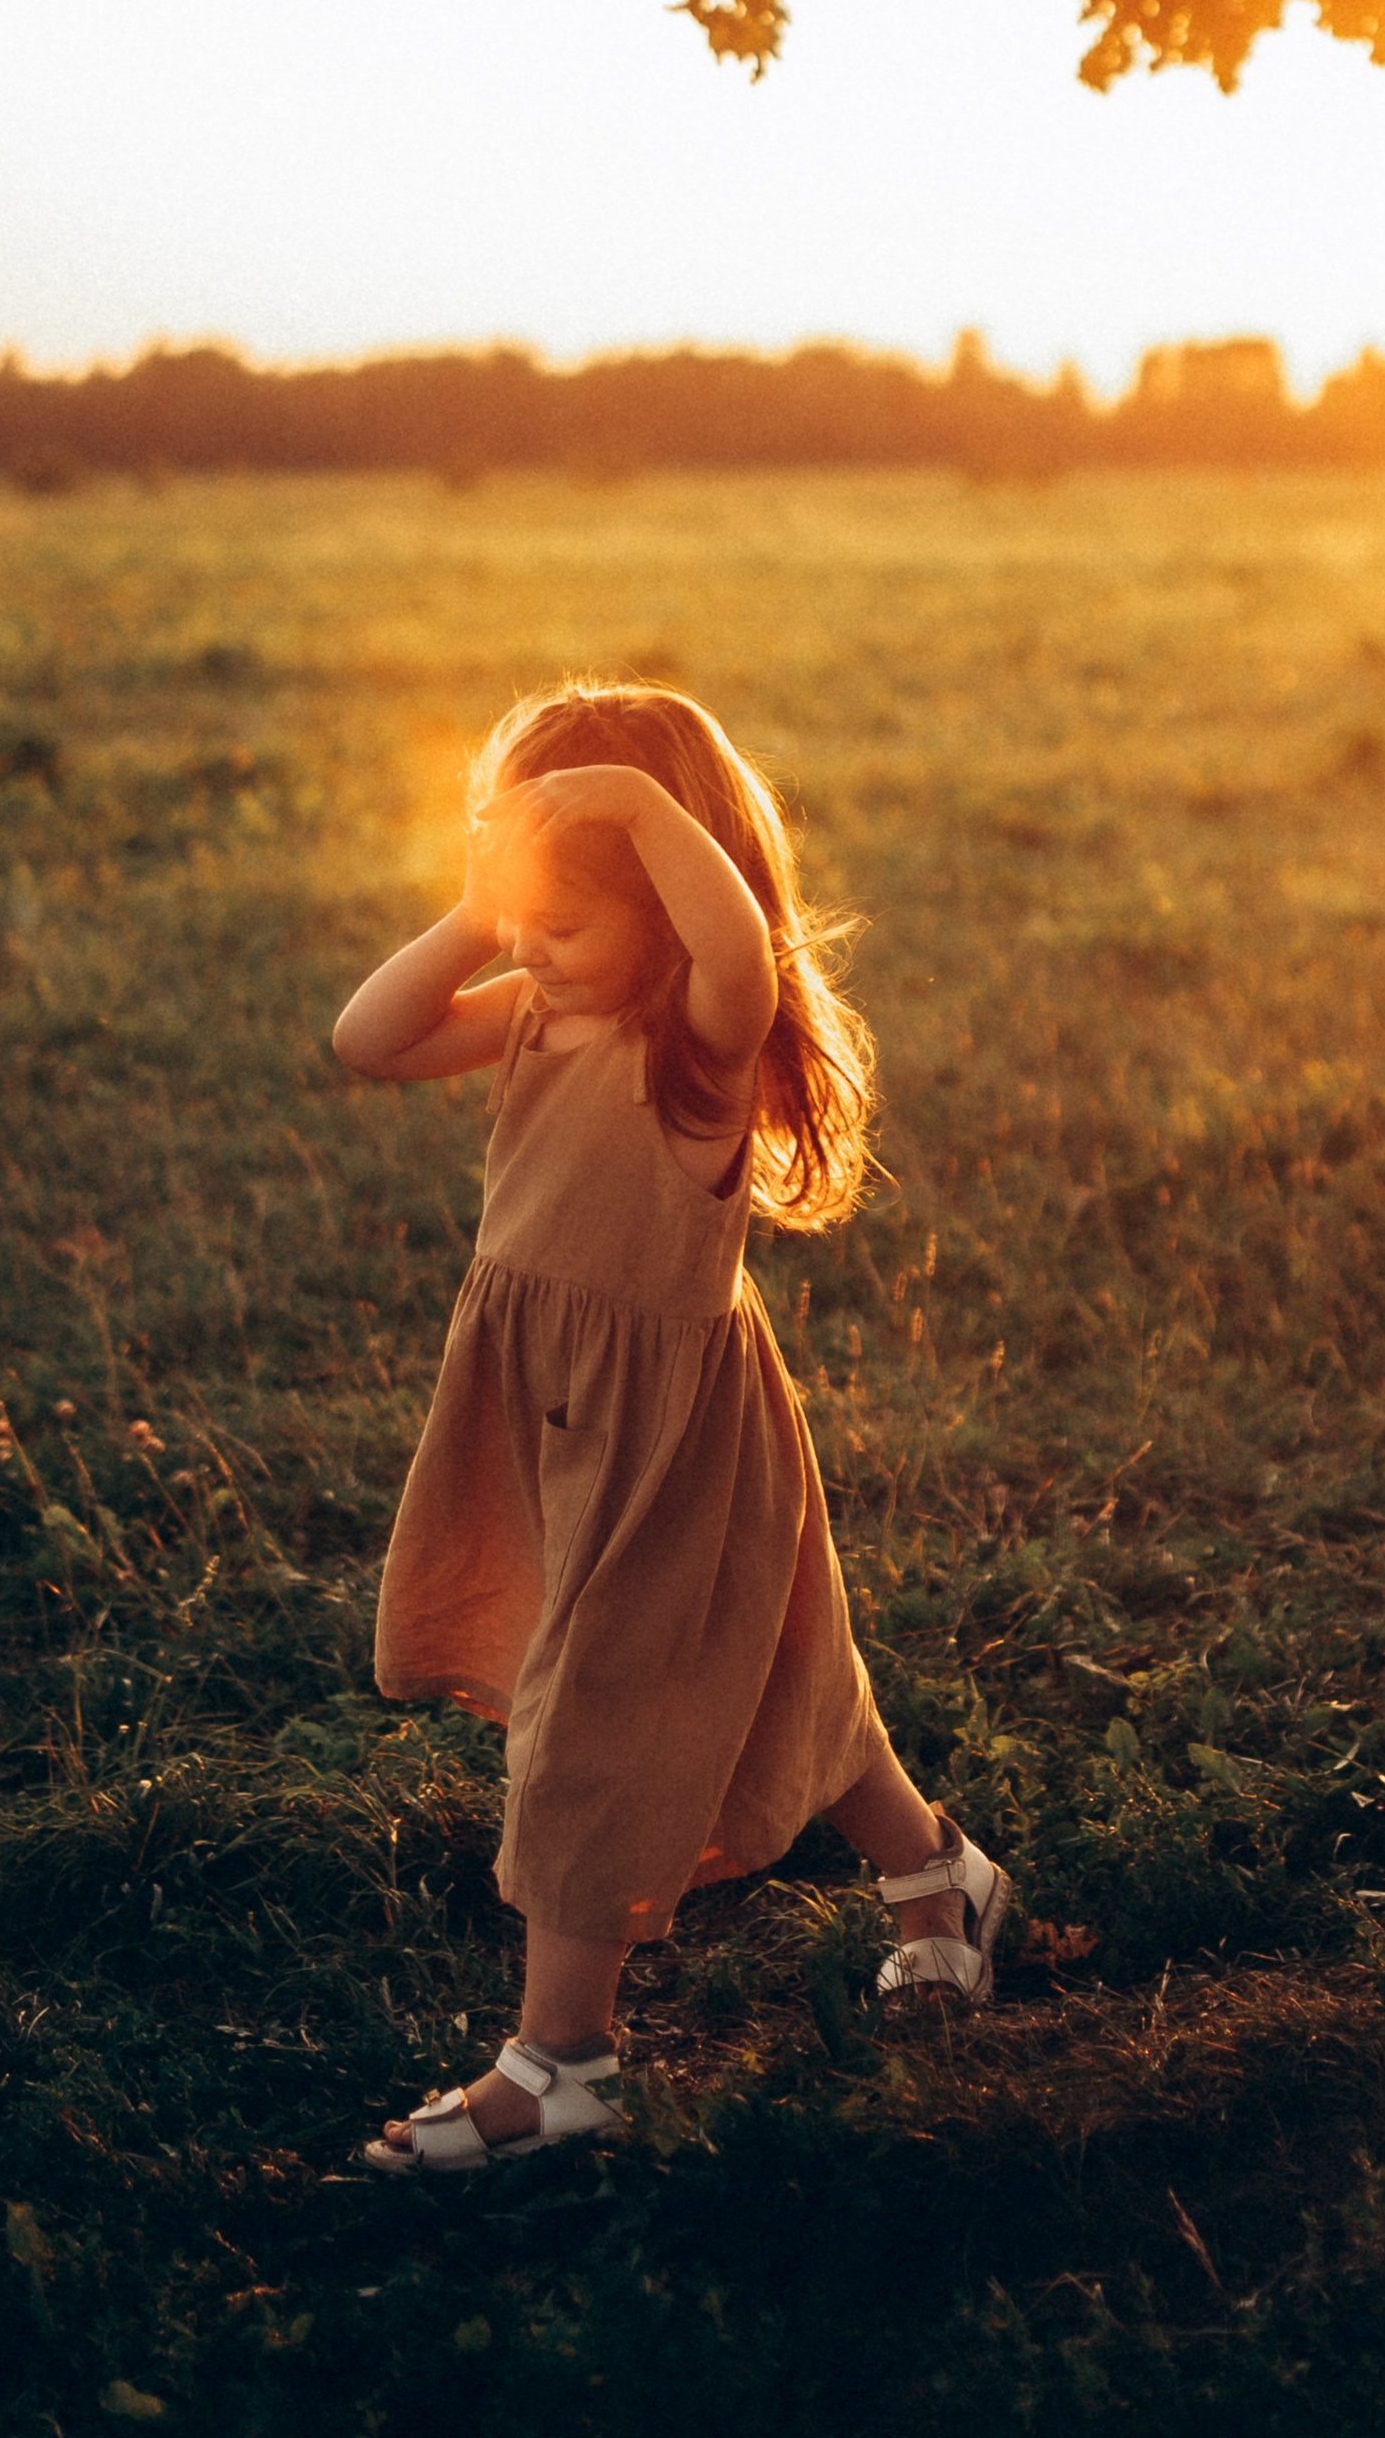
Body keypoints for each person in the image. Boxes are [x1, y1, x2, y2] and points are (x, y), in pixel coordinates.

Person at [332, 678, 1007, 2174]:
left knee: (588, 1725)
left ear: (662, 902)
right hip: (551, 1415)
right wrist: (481, 908)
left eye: (566, 924)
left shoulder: (698, 1043)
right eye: (525, 918)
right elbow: (368, 1037)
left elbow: (741, 954)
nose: (530, 949)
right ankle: (936, 1877)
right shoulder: (536, 1011)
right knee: (782, 1682)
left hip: (667, 1438)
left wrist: (637, 808)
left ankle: (563, 2064)